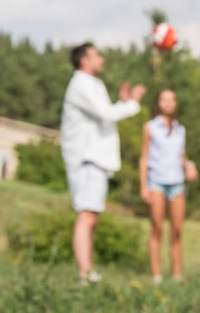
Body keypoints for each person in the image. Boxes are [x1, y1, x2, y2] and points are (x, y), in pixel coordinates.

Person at [60, 42, 146, 285]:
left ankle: (88, 270)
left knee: (92, 215)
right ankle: (85, 274)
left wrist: (121, 104)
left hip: (95, 158)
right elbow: (107, 115)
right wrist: (133, 103)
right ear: (84, 61)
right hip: (86, 158)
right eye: (97, 55)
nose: (103, 59)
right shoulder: (81, 84)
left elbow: (104, 115)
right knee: (86, 215)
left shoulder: (93, 85)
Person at [139, 89, 198, 284]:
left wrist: (189, 165)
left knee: (177, 230)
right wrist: (143, 186)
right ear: (158, 103)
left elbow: (181, 155)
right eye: (164, 99)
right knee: (157, 228)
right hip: (156, 182)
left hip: (177, 183)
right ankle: (156, 275)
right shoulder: (150, 127)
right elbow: (144, 157)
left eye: (172, 99)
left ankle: (176, 275)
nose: (168, 102)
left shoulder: (180, 129)